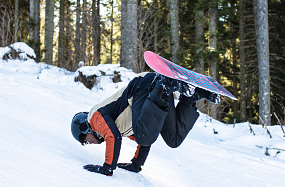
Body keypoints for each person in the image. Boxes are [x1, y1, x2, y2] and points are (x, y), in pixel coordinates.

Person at [71, 72, 219, 176]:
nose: (89, 143)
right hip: (153, 95)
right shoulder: (121, 125)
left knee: (143, 135)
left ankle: (164, 85)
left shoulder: (94, 118)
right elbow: (143, 139)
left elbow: (113, 137)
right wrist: (136, 164)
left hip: (142, 87)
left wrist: (107, 167)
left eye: (85, 140)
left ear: (85, 128)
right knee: (173, 139)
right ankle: (192, 96)